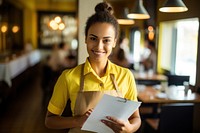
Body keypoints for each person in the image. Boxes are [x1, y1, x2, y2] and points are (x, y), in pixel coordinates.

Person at [45, 2, 141, 133]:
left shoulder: (126, 76)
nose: (99, 47)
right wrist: (77, 121)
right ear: (85, 39)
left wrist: (129, 128)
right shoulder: (68, 77)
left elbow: (136, 118)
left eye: (106, 40)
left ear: (114, 42)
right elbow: (49, 120)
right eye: (93, 38)